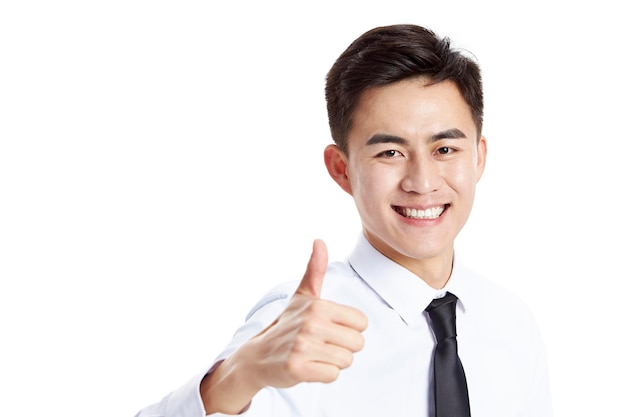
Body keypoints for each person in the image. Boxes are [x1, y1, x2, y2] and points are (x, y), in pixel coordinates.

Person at [136, 23, 552, 417]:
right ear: (342, 169)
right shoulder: (299, 327)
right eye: (389, 152)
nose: (422, 182)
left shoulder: (512, 322)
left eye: (445, 149)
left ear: (478, 157)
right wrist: (240, 373)